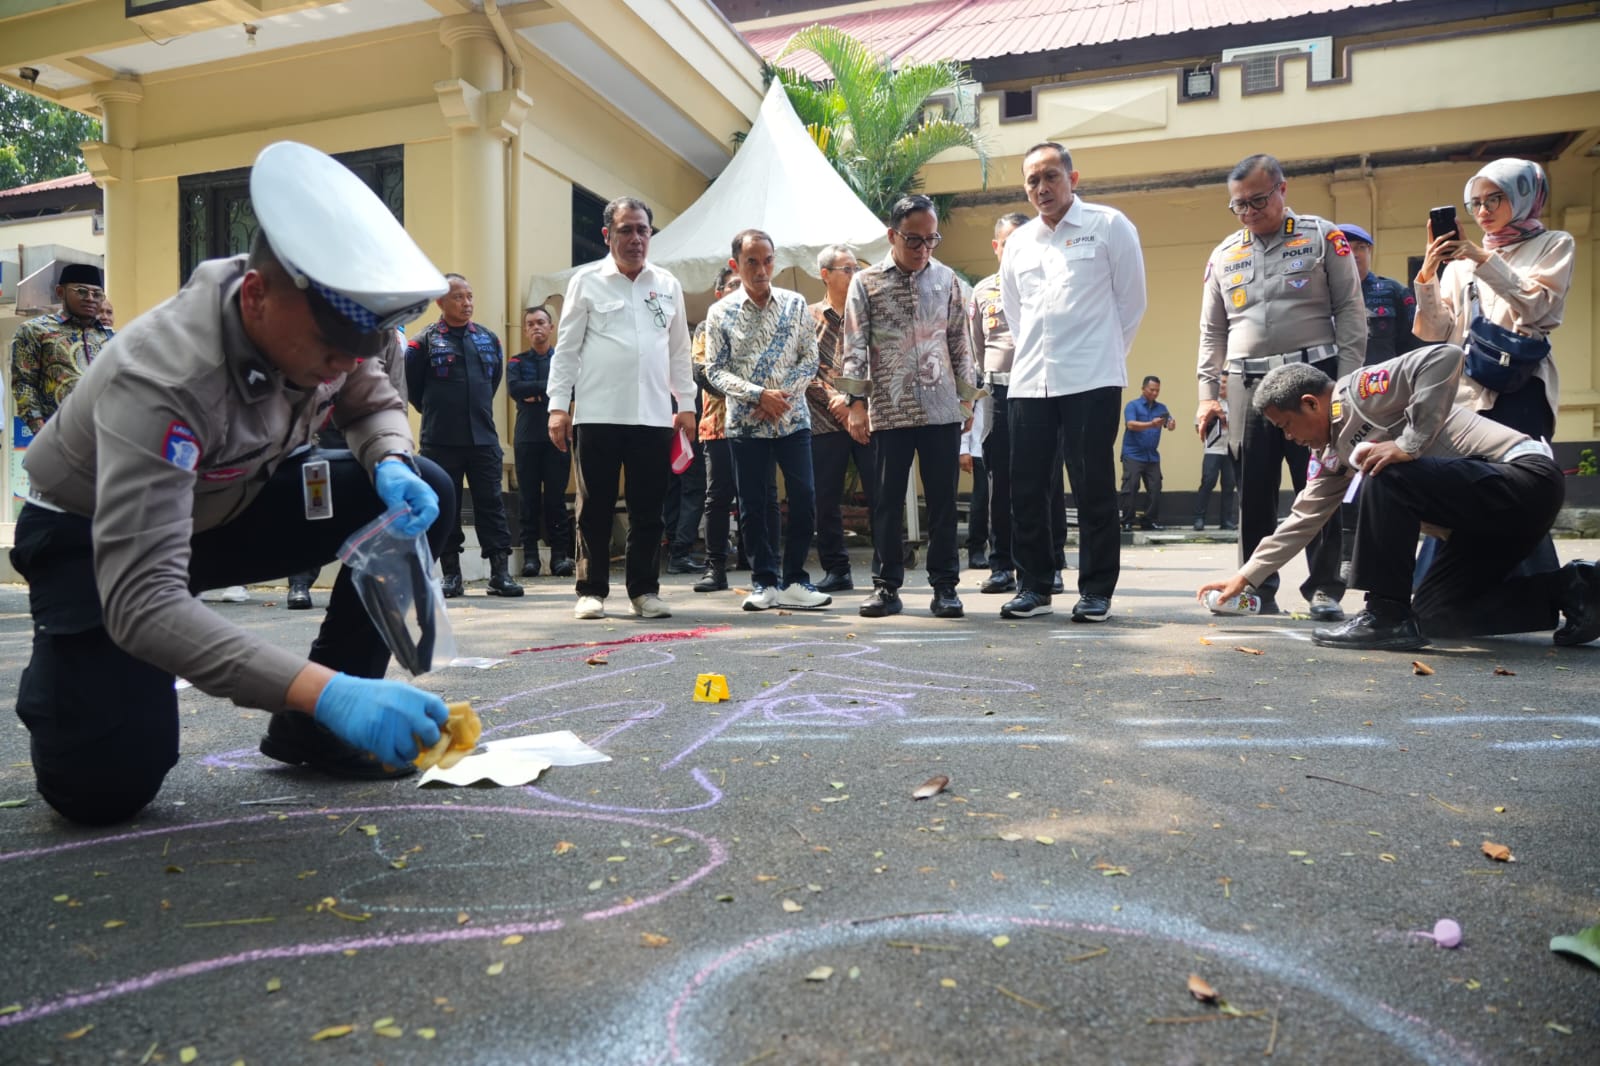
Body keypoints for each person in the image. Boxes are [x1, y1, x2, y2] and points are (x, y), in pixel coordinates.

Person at [9, 141, 458, 826]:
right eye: (331, 349)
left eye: (356, 350)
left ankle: (315, 736)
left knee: (420, 486)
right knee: (103, 788)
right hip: (92, 537)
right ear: (256, 295)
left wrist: (391, 457)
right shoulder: (163, 379)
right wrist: (325, 689)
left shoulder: (330, 325)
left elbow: (368, 399)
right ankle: (78, 667)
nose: (342, 366)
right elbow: (142, 600)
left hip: (221, 506)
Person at [1196, 349, 1597, 651]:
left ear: (1311, 404)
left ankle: (1384, 613)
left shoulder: (1359, 392)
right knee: (1436, 615)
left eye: (1287, 426)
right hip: (1480, 522)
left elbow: (1444, 356)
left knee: (1383, 469)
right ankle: (1575, 589)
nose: (1289, 438)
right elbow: (1303, 518)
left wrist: (1409, 443)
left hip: (1524, 479)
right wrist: (1246, 576)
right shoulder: (1330, 455)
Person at [1196, 153, 1364, 622]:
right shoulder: (1225, 253)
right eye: (1239, 205)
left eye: (1258, 201)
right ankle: (1256, 589)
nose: (1249, 212)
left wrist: (1345, 383)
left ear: (1282, 190)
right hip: (1246, 383)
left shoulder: (1322, 236)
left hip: (1312, 378)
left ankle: (1325, 588)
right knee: (1253, 490)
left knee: (1320, 480)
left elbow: (1350, 309)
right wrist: (1207, 394)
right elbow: (1212, 332)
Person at [999, 142, 1148, 621]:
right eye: (1032, 181)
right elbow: (1015, 313)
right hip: (1030, 382)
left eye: (1050, 177)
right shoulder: (1020, 242)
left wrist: (1100, 356)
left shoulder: (1108, 226)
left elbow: (1131, 304)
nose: (1041, 188)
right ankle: (1035, 586)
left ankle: (1097, 590)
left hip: (1092, 378)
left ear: (1073, 178)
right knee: (1026, 487)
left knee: (1093, 487)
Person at [547, 196, 696, 620]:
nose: (635, 238)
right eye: (626, 230)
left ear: (651, 234)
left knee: (649, 509)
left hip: (652, 415)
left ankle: (645, 591)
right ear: (607, 234)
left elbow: (679, 351)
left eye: (642, 230)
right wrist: (559, 407)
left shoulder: (666, 284)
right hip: (597, 413)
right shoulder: (586, 282)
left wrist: (685, 404)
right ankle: (591, 590)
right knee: (594, 505)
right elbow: (567, 350)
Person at [837, 194, 981, 619]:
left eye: (930, 240)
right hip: (889, 408)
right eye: (913, 240)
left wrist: (967, 400)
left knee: (941, 501)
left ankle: (945, 588)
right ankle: (885, 588)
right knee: (885, 502)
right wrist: (856, 404)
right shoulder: (866, 282)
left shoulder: (947, 280)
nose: (923, 250)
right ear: (892, 235)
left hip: (940, 410)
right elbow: (854, 346)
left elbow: (960, 342)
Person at [703, 229, 829, 611]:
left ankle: (795, 580)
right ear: (735, 265)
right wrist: (758, 396)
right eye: (752, 261)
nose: (761, 269)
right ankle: (764, 582)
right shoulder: (720, 312)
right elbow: (714, 370)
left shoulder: (795, 304)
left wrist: (781, 398)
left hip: (792, 420)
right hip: (745, 423)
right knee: (753, 505)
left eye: (767, 260)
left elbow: (810, 359)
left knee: (805, 498)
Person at [1414, 158, 1574, 443]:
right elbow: (1434, 331)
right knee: (1469, 483)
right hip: (1466, 393)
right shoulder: (1459, 266)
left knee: (1519, 479)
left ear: (1522, 194)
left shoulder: (1553, 244)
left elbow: (1539, 307)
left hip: (1521, 384)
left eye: (1494, 199)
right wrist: (1427, 273)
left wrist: (1480, 258)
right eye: (1475, 203)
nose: (1483, 211)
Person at [968, 213, 1070, 598]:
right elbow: (977, 346)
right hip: (998, 392)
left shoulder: (1048, 283)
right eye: (1007, 244)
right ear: (997, 247)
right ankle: (1001, 566)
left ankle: (1052, 562)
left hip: (1041, 390)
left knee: (1047, 480)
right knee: (999, 482)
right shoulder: (981, 291)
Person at [405, 274, 523, 598]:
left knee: (492, 506)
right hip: (440, 441)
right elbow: (414, 390)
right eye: (458, 297)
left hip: (483, 439)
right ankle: (451, 576)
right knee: (447, 507)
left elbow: (493, 382)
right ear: (440, 302)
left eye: (470, 296)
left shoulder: (489, 339)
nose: (467, 303)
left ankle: (499, 574)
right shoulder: (422, 342)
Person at [285, 325, 410, 611]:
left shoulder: (388, 334)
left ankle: (359, 589)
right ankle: (300, 582)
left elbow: (396, 385)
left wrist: (395, 443)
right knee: (314, 508)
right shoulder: (316, 315)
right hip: (322, 428)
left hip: (366, 430)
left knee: (367, 510)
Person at [807, 245, 891, 593]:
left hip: (869, 418)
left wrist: (859, 403)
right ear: (825, 274)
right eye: (846, 268)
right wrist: (837, 402)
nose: (855, 273)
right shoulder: (806, 316)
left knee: (883, 494)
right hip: (824, 421)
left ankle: (885, 570)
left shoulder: (872, 313)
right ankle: (837, 570)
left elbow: (884, 362)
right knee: (825, 498)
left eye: (857, 267)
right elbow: (800, 367)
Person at [507, 305, 574, 578]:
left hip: (558, 438)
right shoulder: (516, 362)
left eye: (541, 322)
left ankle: (560, 557)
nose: (536, 327)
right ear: (525, 330)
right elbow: (515, 389)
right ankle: (531, 558)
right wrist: (548, 389)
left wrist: (534, 390)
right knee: (528, 499)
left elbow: (571, 387)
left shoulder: (564, 361)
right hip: (526, 438)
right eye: (531, 323)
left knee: (556, 499)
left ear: (551, 327)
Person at [10, 262, 113, 436]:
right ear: (60, 292)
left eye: (97, 294)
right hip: (58, 436)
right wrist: (41, 432)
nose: (90, 298)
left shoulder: (111, 338)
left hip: (106, 437)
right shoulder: (35, 330)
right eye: (81, 291)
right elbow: (24, 385)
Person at [1338, 223, 1419, 366]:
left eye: (1360, 247)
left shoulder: (1394, 291)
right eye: (1346, 247)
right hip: (1336, 383)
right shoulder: (1321, 295)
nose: (1354, 254)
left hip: (1382, 382)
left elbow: (1413, 343)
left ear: (1369, 251)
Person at [1119, 374, 1174, 530]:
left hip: (1152, 455)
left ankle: (1148, 520)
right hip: (1133, 454)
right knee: (1130, 487)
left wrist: (1171, 424)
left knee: (1155, 487)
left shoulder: (1161, 408)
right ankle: (1127, 521)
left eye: (1157, 390)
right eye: (1152, 390)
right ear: (1143, 389)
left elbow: (1169, 424)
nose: (1155, 393)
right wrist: (1151, 424)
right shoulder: (1133, 406)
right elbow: (1130, 425)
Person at [1192, 378, 1238, 530]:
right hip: (1213, 449)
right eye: (1221, 383)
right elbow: (1198, 426)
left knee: (1229, 485)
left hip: (1231, 450)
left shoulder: (1236, 403)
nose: (1223, 386)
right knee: (1207, 483)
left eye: (1226, 382)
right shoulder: (1209, 404)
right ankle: (1199, 519)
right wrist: (1213, 422)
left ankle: (1226, 521)